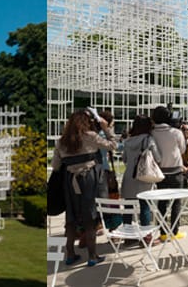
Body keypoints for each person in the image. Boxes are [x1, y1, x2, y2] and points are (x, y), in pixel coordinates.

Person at [51, 109, 118, 267]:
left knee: (71, 216)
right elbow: (113, 145)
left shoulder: (61, 141)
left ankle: (70, 254)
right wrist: (106, 128)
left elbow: (55, 165)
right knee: (90, 216)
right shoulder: (91, 136)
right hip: (90, 179)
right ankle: (92, 255)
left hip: (69, 181)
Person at [119, 115, 159, 244]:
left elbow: (124, 159)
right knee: (145, 207)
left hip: (129, 176)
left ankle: (128, 236)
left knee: (128, 208)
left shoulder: (128, 141)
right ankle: (146, 237)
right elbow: (157, 157)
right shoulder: (148, 139)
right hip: (143, 176)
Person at [150, 106, 187, 241]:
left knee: (162, 203)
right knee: (176, 202)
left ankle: (163, 232)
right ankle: (175, 231)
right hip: (176, 170)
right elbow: (182, 150)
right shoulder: (176, 132)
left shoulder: (152, 133)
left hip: (160, 172)